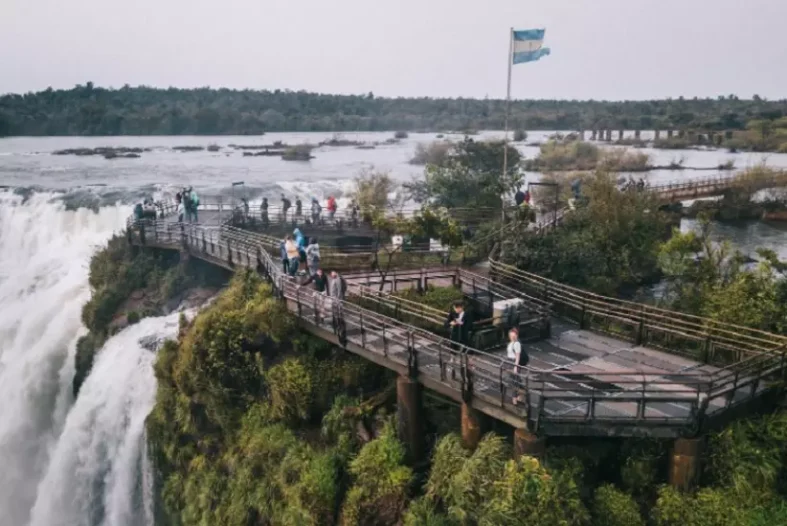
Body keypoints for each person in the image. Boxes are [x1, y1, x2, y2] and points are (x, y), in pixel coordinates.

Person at [507, 328, 529, 405]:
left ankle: (514, 398)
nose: (512, 337)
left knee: (514, 381)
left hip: (515, 362)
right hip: (510, 361)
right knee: (515, 379)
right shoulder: (511, 343)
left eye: (513, 336)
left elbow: (517, 356)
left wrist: (515, 366)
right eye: (511, 336)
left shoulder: (517, 344)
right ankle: (523, 391)